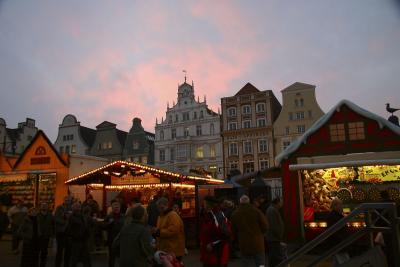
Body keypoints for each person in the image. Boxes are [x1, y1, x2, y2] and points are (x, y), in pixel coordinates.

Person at [232, 195, 268, 267]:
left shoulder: (235, 213)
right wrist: (262, 233)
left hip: (244, 243)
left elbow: (233, 229)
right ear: (248, 202)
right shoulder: (256, 211)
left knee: (247, 262)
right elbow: (265, 225)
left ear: (240, 202)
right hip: (258, 242)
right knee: (260, 262)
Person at [199, 195, 230, 267]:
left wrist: (212, 244)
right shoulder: (208, 215)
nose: (203, 205)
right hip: (209, 253)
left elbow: (226, 234)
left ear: (209, 204)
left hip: (217, 254)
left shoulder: (218, 216)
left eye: (204, 203)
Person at [153, 197, 185, 262]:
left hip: (173, 250)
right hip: (166, 249)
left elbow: (173, 231)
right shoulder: (161, 216)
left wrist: (158, 232)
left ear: (166, 205)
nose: (160, 209)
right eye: (159, 208)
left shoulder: (173, 215)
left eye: (161, 207)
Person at [65, 202, 92, 267]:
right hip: (76, 241)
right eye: (76, 206)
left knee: (86, 259)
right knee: (74, 259)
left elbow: (87, 224)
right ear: (73, 208)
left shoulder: (82, 216)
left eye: (79, 206)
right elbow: (68, 229)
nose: (78, 207)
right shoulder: (71, 217)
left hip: (84, 240)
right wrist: (74, 236)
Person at [103, 200, 125, 267]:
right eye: (115, 207)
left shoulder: (123, 216)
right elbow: (103, 226)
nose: (116, 208)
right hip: (112, 239)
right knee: (112, 257)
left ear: (120, 208)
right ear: (112, 208)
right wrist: (109, 223)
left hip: (122, 239)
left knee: (122, 257)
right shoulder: (109, 216)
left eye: (117, 207)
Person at [266, 197, 285, 267]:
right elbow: (274, 225)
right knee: (275, 257)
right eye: (281, 202)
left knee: (274, 256)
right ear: (277, 203)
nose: (282, 204)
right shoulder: (272, 210)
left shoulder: (273, 210)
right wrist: (279, 236)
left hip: (273, 238)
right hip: (273, 238)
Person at [54, 195, 72, 267]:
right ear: (64, 200)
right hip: (61, 231)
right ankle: (57, 265)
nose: (67, 201)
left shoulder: (72, 208)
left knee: (68, 251)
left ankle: (66, 265)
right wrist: (64, 222)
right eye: (66, 200)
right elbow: (56, 218)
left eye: (69, 200)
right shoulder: (59, 208)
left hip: (69, 232)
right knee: (60, 250)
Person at [37, 202, 54, 267]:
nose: (44, 206)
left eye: (45, 205)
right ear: (40, 207)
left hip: (46, 236)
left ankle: (42, 264)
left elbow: (53, 225)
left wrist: (52, 235)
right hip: (38, 236)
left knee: (44, 251)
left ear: (48, 207)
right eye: (42, 205)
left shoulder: (50, 215)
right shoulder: (37, 215)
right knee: (37, 251)